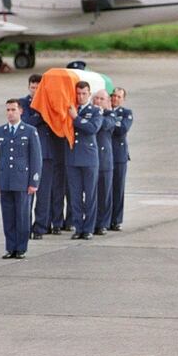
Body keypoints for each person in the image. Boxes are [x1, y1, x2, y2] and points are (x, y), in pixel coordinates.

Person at [0, 99, 42, 259]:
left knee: (22, 215)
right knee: (8, 215)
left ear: (20, 111)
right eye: (8, 110)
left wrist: (34, 181)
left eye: (13, 109)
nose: (10, 113)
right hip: (5, 179)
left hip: (22, 180)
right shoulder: (0, 131)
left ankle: (21, 247)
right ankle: (10, 247)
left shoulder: (29, 131)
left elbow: (35, 158)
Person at [20, 74, 55, 239]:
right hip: (28, 154)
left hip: (46, 153)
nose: (34, 91)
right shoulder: (23, 103)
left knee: (44, 193)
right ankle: (25, 227)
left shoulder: (48, 102)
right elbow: (27, 121)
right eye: (32, 87)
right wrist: (40, 115)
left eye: (37, 88)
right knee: (28, 193)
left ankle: (40, 226)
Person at [66, 81, 102, 239]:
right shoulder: (70, 108)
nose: (80, 97)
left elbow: (92, 128)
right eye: (78, 93)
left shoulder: (95, 111)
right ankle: (78, 227)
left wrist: (76, 118)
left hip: (88, 158)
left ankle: (88, 228)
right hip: (73, 158)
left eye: (84, 93)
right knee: (75, 195)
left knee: (90, 195)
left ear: (89, 94)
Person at [93, 89, 116, 235]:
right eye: (97, 99)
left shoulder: (110, 115)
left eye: (102, 99)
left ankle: (103, 223)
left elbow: (104, 125)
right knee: (92, 194)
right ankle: (92, 221)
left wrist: (99, 112)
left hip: (105, 159)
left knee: (104, 193)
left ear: (108, 101)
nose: (99, 102)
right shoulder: (90, 114)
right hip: (91, 159)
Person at [110, 87, 133, 231]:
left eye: (119, 97)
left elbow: (121, 129)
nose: (115, 99)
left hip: (119, 155)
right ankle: (105, 219)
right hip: (105, 155)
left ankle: (116, 220)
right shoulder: (104, 111)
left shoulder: (126, 113)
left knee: (118, 188)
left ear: (123, 99)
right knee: (105, 189)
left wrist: (111, 122)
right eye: (113, 96)